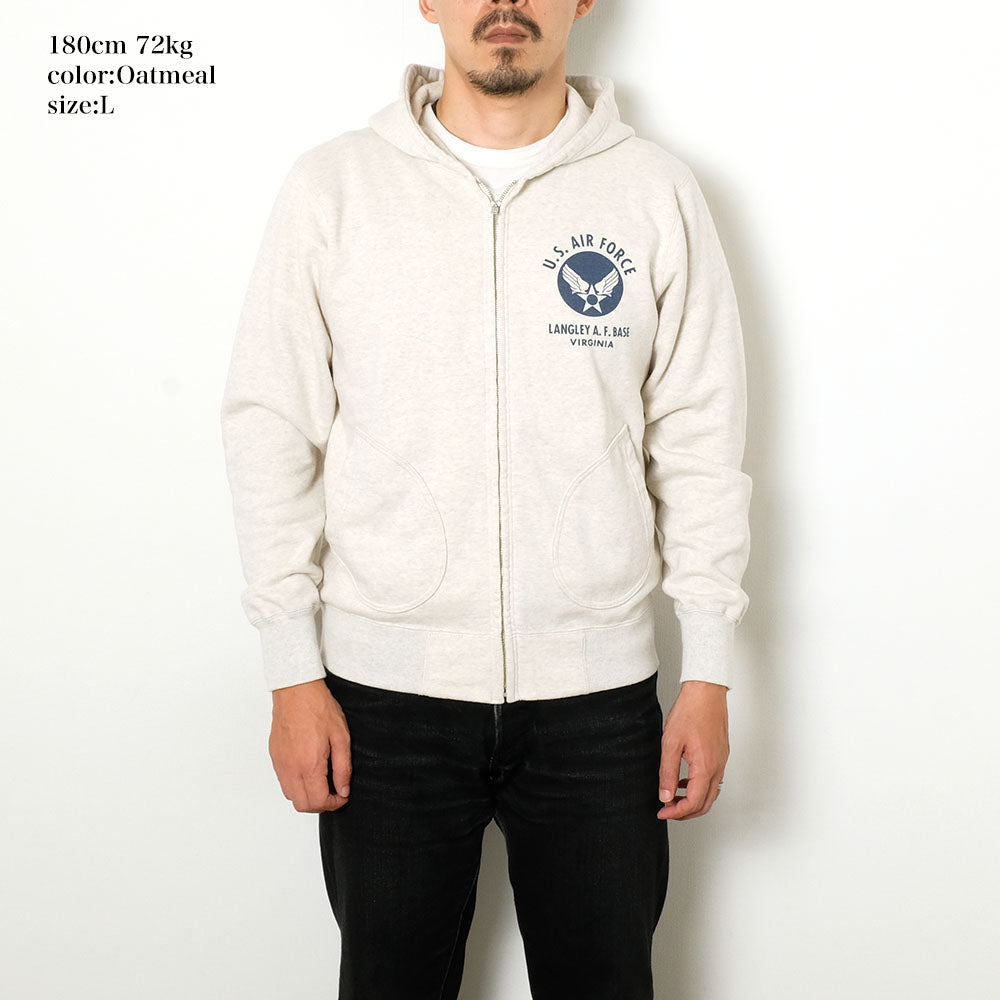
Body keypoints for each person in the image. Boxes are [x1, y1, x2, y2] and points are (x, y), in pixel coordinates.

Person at [219, 1, 752, 996]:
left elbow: (701, 440)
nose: (504, 3)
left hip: (598, 705)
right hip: (382, 702)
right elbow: (270, 428)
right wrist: (291, 671)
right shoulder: (336, 187)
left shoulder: (652, 190)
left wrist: (710, 671)